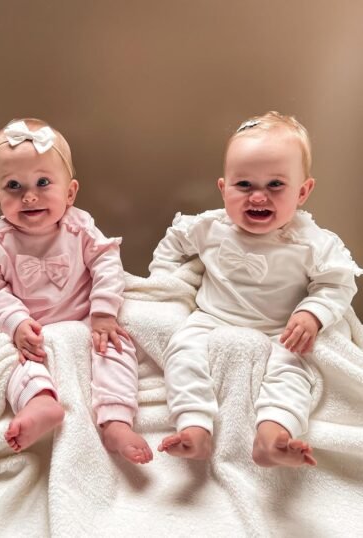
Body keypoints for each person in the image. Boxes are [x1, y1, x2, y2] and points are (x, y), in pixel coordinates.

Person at [151, 111, 361, 466]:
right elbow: (172, 246)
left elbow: (337, 283)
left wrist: (311, 315)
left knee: (293, 371)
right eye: (244, 185)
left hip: (280, 329)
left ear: (303, 192)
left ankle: (273, 434)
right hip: (211, 318)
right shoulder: (209, 227)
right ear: (224, 188)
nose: (258, 197)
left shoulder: (311, 242)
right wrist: (165, 285)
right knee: (182, 351)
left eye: (275, 185)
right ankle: (193, 425)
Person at [0, 118, 152, 464]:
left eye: (43, 183)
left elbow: (107, 263)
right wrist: (15, 322)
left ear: (70, 192)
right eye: (13, 186)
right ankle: (39, 401)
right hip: (31, 331)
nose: (29, 196)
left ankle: (116, 420)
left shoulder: (79, 227)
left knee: (117, 348)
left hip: (85, 318)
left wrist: (103, 312)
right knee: (3, 357)